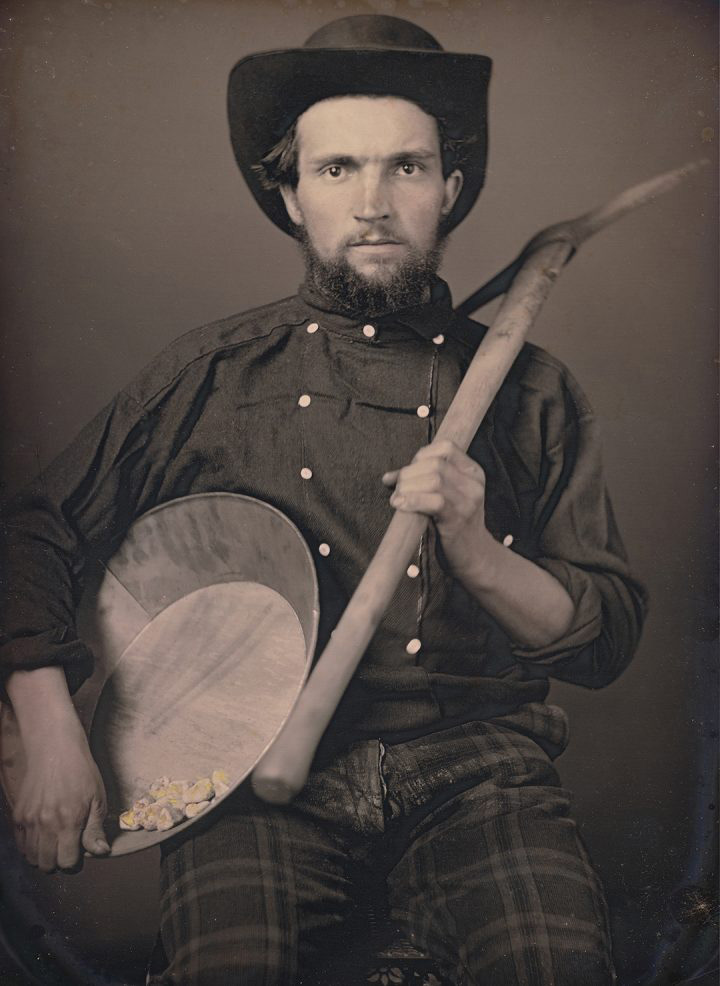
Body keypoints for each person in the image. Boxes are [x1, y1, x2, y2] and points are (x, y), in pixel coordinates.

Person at [0, 14, 647, 986]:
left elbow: (608, 637)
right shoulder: (214, 373)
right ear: (292, 196)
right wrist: (48, 726)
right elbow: (33, 532)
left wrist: (476, 547)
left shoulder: (534, 388)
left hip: (481, 772)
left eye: (408, 167)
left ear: (451, 188)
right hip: (253, 785)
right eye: (338, 168)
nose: (375, 202)